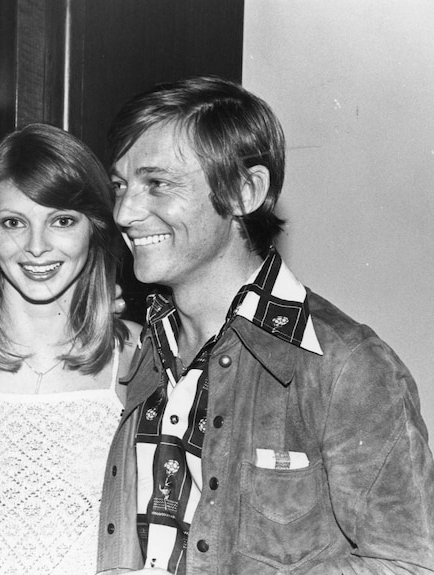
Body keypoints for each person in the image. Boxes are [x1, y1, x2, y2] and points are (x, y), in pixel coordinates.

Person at [96, 75, 434, 574]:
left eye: (158, 184)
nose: (125, 212)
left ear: (245, 191)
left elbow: (408, 565)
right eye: (121, 186)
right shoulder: (139, 347)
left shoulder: (346, 364)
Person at [0, 123, 140, 575]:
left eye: (62, 221)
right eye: (14, 222)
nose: (36, 247)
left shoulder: (135, 354)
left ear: (95, 228)